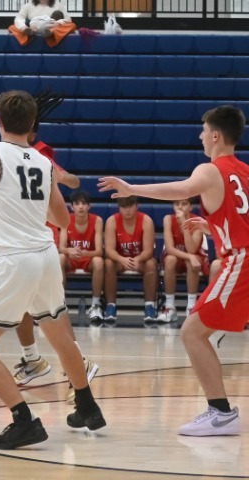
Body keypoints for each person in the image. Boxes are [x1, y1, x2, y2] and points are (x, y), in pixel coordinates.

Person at [0, 90, 105, 450]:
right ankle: (87, 406)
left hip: (15, 259)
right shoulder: (44, 163)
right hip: (46, 256)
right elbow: (62, 220)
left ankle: (23, 421)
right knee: (60, 337)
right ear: (32, 124)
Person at [98, 104, 246, 436]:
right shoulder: (244, 172)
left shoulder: (211, 169)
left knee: (192, 333)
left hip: (241, 262)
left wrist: (132, 189)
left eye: (203, 131)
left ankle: (221, 412)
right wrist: (212, 227)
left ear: (216, 135)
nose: (200, 137)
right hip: (241, 256)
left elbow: (181, 190)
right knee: (197, 332)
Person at [12, 91, 98, 404]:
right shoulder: (9, 154)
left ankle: (74, 366)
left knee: (50, 312)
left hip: (36, 239)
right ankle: (34, 359)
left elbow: (72, 182)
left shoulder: (40, 155)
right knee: (32, 309)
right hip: (21, 240)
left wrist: (62, 177)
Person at [103, 196, 158, 322]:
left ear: (137, 206)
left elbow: (148, 251)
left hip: (140, 260)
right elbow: (109, 250)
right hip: (120, 261)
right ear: (119, 207)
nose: (127, 210)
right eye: (123, 206)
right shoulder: (112, 221)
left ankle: (149, 306)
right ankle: (111, 306)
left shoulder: (146, 220)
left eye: (130, 206)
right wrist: (122, 259)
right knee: (108, 263)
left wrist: (137, 259)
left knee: (151, 264)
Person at [156, 198, 210, 322]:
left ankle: (191, 307)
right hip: (179, 257)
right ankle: (170, 307)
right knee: (170, 260)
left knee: (191, 262)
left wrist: (184, 224)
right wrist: (190, 256)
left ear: (191, 207)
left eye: (184, 203)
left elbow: (192, 249)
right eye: (176, 203)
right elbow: (170, 249)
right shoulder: (168, 219)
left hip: (195, 258)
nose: (180, 207)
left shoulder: (197, 221)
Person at [59, 190, 105, 322]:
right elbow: (61, 248)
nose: (80, 207)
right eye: (77, 203)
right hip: (72, 259)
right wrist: (69, 251)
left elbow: (99, 251)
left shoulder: (97, 220)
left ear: (89, 206)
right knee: (60, 258)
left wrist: (85, 253)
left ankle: (95, 305)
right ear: (71, 207)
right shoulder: (65, 219)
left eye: (84, 203)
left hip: (88, 259)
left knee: (99, 261)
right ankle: (59, 304)